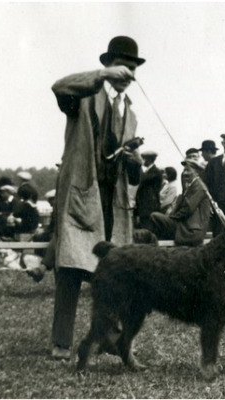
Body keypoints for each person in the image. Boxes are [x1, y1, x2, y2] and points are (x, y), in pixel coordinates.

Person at [22, 36, 146, 360]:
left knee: (113, 270)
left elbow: (132, 175)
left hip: (111, 202)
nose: (129, 75)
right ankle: (61, 343)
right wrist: (101, 77)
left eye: (133, 70)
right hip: (81, 193)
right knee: (72, 269)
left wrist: (135, 164)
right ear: (108, 66)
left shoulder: (131, 115)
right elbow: (58, 86)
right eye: (124, 68)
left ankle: (109, 338)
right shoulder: (83, 96)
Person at [149, 159, 210, 246]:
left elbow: (188, 209)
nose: (185, 173)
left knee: (154, 216)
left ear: (197, 172)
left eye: (188, 170)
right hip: (187, 226)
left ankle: (155, 246)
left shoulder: (199, 186)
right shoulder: (191, 186)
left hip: (191, 230)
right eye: (184, 170)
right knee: (157, 218)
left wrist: (172, 218)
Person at [135, 150, 163, 230]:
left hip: (149, 207)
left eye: (144, 159)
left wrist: (138, 165)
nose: (143, 161)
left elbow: (142, 179)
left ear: (149, 159)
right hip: (145, 206)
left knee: (148, 228)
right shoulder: (150, 171)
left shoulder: (155, 172)